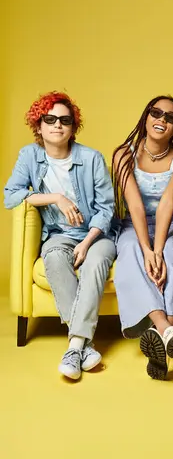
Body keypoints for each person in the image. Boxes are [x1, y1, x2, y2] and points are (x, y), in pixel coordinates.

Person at [4, 92, 116, 380]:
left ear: (73, 126)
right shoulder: (30, 155)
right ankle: (85, 346)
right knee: (53, 256)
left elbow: (107, 209)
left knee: (94, 262)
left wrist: (87, 242)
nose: (57, 125)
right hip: (57, 234)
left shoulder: (91, 158)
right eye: (49, 119)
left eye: (64, 120)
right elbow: (10, 196)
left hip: (96, 234)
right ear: (38, 125)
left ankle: (75, 344)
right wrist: (55, 197)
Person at [112, 95, 173, 381]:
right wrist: (147, 249)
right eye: (156, 113)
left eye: (170, 117)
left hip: (171, 224)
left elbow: (167, 203)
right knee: (130, 250)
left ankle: (161, 337)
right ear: (146, 117)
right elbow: (134, 204)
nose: (161, 119)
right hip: (133, 225)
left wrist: (158, 250)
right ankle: (167, 329)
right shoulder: (124, 154)